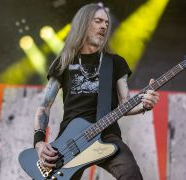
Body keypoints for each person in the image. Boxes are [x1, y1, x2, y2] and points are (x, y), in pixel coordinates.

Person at [33, 3, 159, 180]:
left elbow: (125, 105)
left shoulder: (115, 63)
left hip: (107, 134)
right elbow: (44, 107)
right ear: (84, 24)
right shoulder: (63, 62)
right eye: (98, 21)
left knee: (131, 175)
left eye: (106, 23)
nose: (104, 26)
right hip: (70, 142)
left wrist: (145, 106)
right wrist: (39, 142)